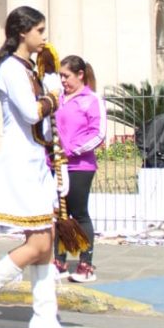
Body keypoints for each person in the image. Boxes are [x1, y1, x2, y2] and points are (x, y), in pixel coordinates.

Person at [0, 6, 78, 328]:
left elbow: (44, 124)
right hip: (20, 163)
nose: (44, 36)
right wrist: (53, 95)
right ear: (23, 32)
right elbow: (30, 112)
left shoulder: (29, 68)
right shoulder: (11, 68)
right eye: (39, 30)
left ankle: (44, 318)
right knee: (39, 243)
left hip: (36, 161)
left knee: (46, 242)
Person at [54, 55, 107, 284]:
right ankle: (59, 262)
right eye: (61, 76)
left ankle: (86, 264)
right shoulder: (58, 99)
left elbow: (99, 133)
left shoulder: (92, 99)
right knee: (60, 214)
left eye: (66, 76)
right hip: (56, 165)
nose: (63, 80)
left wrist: (72, 151)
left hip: (80, 166)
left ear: (80, 75)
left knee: (78, 213)